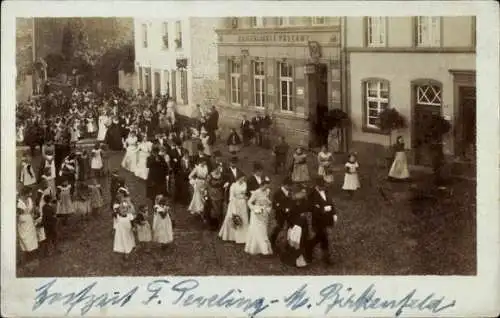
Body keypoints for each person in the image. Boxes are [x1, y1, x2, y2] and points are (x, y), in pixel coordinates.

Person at [306, 178, 338, 265]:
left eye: (325, 186)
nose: (325, 188)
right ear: (318, 186)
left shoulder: (325, 191)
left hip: (326, 220)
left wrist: (334, 214)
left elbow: (331, 203)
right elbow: (311, 208)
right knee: (324, 238)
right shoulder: (312, 194)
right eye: (323, 187)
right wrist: (323, 209)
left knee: (320, 238)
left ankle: (308, 248)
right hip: (318, 221)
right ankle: (326, 258)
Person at [281, 188, 309, 268]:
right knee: (296, 243)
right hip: (295, 226)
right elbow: (289, 217)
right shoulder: (292, 205)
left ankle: (301, 260)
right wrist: (292, 226)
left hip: (302, 225)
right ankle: (296, 261)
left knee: (301, 242)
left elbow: (306, 212)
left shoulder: (304, 203)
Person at [245, 180, 273, 255]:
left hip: (264, 213)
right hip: (256, 213)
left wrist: (268, 205)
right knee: (258, 230)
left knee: (263, 229)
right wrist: (254, 209)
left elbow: (267, 201)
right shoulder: (256, 192)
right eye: (265, 186)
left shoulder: (267, 191)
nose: (266, 188)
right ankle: (263, 249)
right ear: (261, 185)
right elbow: (249, 202)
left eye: (268, 187)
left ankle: (261, 247)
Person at [219, 174, 249, 244]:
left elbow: (245, 193)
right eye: (241, 178)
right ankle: (231, 236)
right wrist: (234, 206)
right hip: (235, 203)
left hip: (243, 203)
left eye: (243, 178)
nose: (243, 180)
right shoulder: (233, 185)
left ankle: (243, 236)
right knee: (233, 218)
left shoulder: (245, 184)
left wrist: (245, 197)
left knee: (243, 218)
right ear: (238, 178)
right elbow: (231, 197)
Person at [270, 177, 293, 250]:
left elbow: (291, 201)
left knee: (289, 228)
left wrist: (290, 208)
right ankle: (272, 242)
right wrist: (283, 209)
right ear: (284, 185)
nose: (290, 187)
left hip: (289, 214)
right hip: (280, 214)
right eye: (288, 186)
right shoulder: (277, 192)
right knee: (279, 227)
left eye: (290, 186)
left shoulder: (290, 192)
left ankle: (287, 244)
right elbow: (274, 205)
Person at [206, 165, 225, 231]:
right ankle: (212, 225)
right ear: (215, 169)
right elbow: (207, 184)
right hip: (212, 194)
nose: (219, 170)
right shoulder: (210, 175)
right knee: (213, 209)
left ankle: (219, 225)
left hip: (219, 193)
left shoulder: (221, 175)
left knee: (219, 210)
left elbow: (223, 183)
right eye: (218, 169)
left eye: (220, 169)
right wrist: (208, 193)